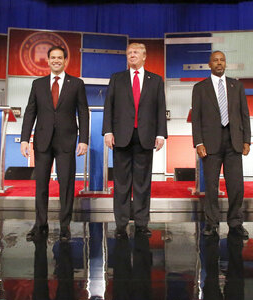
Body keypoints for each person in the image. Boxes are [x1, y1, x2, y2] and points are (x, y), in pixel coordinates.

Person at [20, 46, 89, 242]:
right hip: (42, 141)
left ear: (65, 61)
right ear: (48, 61)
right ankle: (40, 224)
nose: (57, 61)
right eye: (53, 58)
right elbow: (30, 112)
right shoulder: (38, 84)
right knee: (41, 184)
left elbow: (83, 112)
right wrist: (25, 138)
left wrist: (83, 139)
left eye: (60, 58)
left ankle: (65, 226)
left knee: (66, 184)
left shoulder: (76, 83)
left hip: (67, 141)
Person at [103, 42, 167, 238]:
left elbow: (159, 108)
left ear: (144, 56)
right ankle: (121, 225)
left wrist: (160, 134)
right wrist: (108, 131)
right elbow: (109, 106)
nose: (132, 55)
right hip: (121, 136)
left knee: (142, 183)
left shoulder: (155, 80)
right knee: (121, 183)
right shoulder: (117, 78)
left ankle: (141, 223)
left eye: (136, 52)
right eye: (129, 52)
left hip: (145, 136)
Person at [191, 51, 251, 238]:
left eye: (222, 60)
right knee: (211, 185)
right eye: (215, 60)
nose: (219, 63)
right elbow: (197, 118)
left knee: (236, 185)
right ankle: (211, 223)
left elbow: (244, 114)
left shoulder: (237, 85)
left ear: (225, 63)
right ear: (209, 64)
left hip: (234, 141)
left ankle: (235, 222)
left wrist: (247, 140)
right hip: (210, 143)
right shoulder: (200, 88)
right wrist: (198, 142)